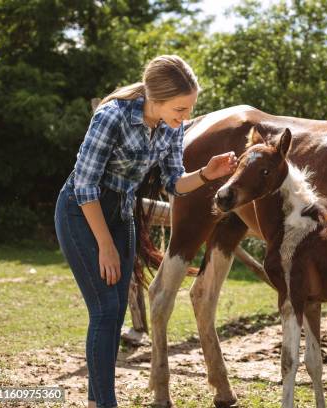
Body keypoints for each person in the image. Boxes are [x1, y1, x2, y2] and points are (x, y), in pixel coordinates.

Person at [54, 55, 236, 408]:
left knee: (115, 310)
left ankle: (97, 400)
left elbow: (174, 183)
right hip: (82, 212)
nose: (185, 117)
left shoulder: (171, 125)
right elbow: (85, 186)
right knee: (106, 311)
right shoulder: (112, 117)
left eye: (188, 109)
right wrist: (105, 245)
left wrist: (207, 174)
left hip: (121, 213)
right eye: (180, 109)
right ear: (156, 97)